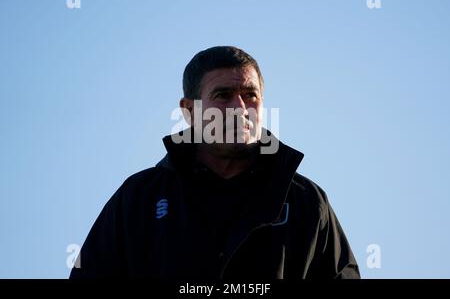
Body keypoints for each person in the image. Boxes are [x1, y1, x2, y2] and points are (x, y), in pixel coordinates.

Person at [70, 46, 360, 279]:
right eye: (223, 95)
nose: (240, 109)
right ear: (189, 111)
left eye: (250, 95)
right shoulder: (139, 198)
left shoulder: (305, 202)